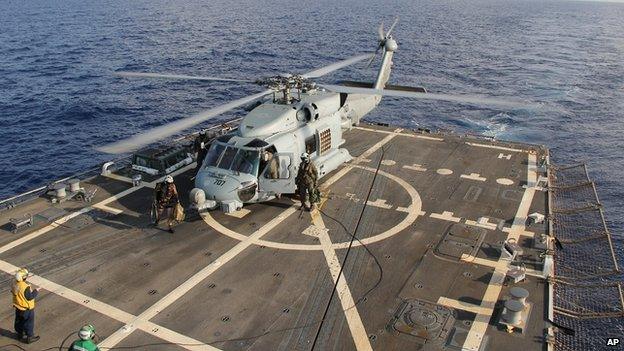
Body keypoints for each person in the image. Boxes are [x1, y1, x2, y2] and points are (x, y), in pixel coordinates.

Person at [11, 268, 41, 344]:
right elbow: (30, 297)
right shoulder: (25, 287)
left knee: (19, 321)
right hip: (27, 309)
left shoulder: (14, 283)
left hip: (18, 307)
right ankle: (30, 337)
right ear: (24, 277)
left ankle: (20, 334)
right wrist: (36, 291)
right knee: (29, 322)